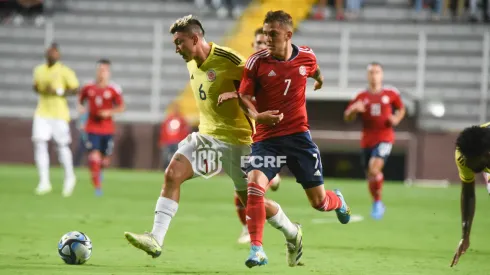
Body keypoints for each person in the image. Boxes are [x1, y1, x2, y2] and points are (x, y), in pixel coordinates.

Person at [123, 15, 302, 268]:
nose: (176, 49)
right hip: (207, 137)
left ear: (195, 39)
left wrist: (243, 99)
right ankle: (156, 238)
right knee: (173, 173)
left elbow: (264, 87)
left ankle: (292, 232)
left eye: (180, 42)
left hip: (240, 141)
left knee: (251, 202)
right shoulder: (191, 63)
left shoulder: (229, 60)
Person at [236, 10, 351, 268]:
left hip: (299, 139)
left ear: (288, 35)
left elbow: (315, 71)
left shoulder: (307, 56)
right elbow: (243, 97)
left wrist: (319, 81)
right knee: (254, 185)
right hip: (267, 139)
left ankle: (339, 200)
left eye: (272, 34)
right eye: (265, 34)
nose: (267, 39)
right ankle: (257, 249)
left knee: (319, 203)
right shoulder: (256, 62)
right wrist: (258, 115)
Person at [343, 62, 405, 220]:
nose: (374, 75)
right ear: (367, 75)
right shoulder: (361, 96)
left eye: (377, 72)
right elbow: (347, 116)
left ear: (382, 75)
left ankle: (377, 204)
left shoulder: (391, 94)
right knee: (370, 174)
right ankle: (377, 201)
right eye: (371, 72)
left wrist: (396, 118)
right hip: (367, 140)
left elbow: (401, 108)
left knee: (374, 169)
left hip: (385, 138)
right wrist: (353, 110)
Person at [32, 42, 79, 197]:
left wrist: (58, 91)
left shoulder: (64, 71)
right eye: (50, 52)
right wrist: (40, 89)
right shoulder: (39, 70)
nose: (52, 54)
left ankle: (69, 177)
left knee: (62, 146)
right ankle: (44, 182)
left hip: (59, 114)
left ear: (58, 54)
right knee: (39, 143)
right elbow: (35, 87)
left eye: (55, 52)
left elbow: (75, 89)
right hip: (42, 112)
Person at [78, 59, 125, 196]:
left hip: (108, 129)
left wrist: (109, 112)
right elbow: (81, 101)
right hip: (92, 128)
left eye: (104, 70)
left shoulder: (114, 89)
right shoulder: (88, 88)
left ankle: (99, 171)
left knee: (104, 160)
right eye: (100, 70)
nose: (101, 73)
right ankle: (97, 187)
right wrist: (81, 110)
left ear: (109, 73)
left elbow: (121, 107)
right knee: (94, 157)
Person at [451, 123, 490, 267]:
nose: (467, 165)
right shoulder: (463, 156)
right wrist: (465, 235)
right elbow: (468, 194)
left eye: (471, 161)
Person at [159, 104, 190, 170]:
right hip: (169, 141)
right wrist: (162, 141)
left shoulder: (182, 119)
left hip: (178, 141)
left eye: (177, 108)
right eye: (175, 108)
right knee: (167, 156)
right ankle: (166, 169)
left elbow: (185, 132)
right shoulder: (168, 119)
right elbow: (164, 131)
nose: (176, 109)